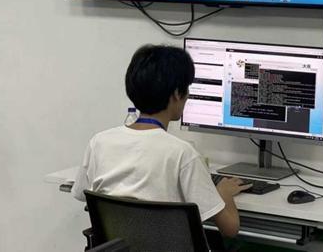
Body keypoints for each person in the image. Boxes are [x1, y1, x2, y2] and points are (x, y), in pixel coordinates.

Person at [71, 44, 251, 239]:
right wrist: (223, 193)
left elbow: (81, 193)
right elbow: (230, 229)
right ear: (177, 94)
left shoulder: (99, 142)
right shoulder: (183, 154)